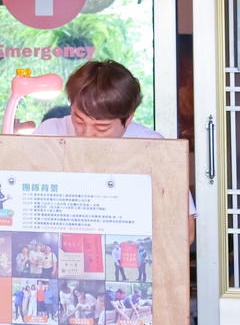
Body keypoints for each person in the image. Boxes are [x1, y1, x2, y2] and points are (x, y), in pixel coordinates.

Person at [31, 59, 196, 245]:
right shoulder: (50, 134)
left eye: (101, 127)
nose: (87, 134)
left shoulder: (152, 148)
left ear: (128, 119)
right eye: (78, 119)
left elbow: (186, 231)